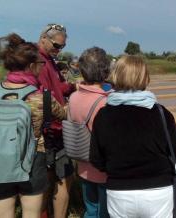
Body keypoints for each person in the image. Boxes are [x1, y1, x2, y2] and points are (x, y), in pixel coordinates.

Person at [90, 55, 176, 218]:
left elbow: (95, 158)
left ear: (116, 76)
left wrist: (117, 169)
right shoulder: (160, 113)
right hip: (158, 191)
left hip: (119, 191)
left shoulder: (103, 115)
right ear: (145, 78)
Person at [0, 33, 66, 218]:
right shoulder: (41, 98)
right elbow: (63, 114)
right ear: (31, 66)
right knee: (31, 213)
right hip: (34, 159)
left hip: (1, 159)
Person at [68, 47, 111, 218]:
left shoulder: (73, 97)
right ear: (106, 70)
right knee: (106, 212)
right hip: (105, 170)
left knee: (91, 210)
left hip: (83, 165)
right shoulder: (107, 100)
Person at [37, 23, 75, 218]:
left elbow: (57, 88)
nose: (59, 50)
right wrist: (64, 110)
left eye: (62, 47)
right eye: (56, 45)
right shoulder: (40, 62)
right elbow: (45, 97)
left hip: (53, 126)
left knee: (50, 177)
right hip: (51, 127)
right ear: (43, 38)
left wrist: (71, 87)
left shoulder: (48, 60)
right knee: (61, 177)